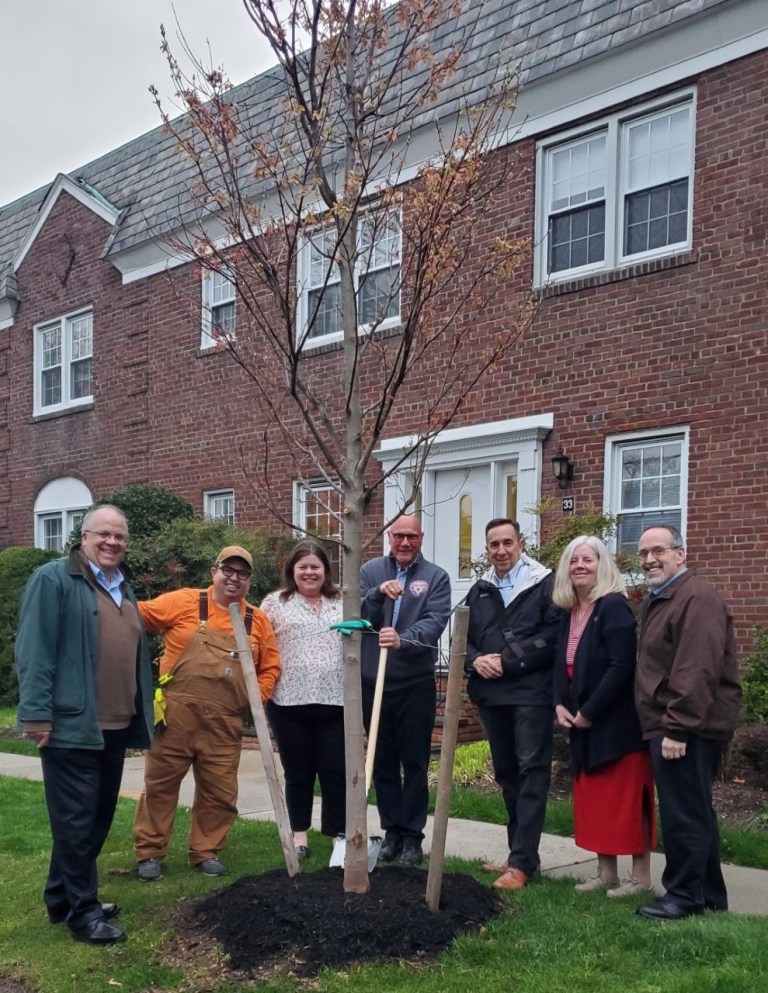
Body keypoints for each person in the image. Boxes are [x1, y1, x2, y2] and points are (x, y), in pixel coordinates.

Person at [15, 505, 154, 945]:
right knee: (75, 823)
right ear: (84, 536)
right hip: (71, 725)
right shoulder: (53, 579)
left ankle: (61, 897)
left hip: (113, 726)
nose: (113, 542)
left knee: (93, 821)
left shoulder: (122, 587)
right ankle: (83, 912)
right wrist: (36, 715)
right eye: (104, 535)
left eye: (120, 537)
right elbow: (34, 650)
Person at [132, 545, 281, 881]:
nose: (234, 578)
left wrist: (255, 697)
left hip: (224, 721)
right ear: (214, 571)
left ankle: (205, 851)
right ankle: (150, 854)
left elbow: (270, 667)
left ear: (250, 581)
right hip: (175, 717)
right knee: (160, 786)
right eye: (227, 569)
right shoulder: (184, 601)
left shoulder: (256, 620)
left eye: (242, 573)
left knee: (220, 791)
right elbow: (134, 617)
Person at [634, 525, 741, 920]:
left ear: (681, 554)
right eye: (643, 553)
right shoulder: (665, 598)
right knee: (695, 810)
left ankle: (683, 896)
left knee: (683, 813)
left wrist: (677, 727)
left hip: (685, 727)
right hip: (676, 722)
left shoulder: (695, 598)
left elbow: (696, 669)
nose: (649, 560)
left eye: (659, 551)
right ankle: (709, 895)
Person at [552, 535, 655, 898]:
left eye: (588, 560)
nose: (580, 566)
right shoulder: (571, 611)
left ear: (603, 566)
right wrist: (560, 705)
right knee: (596, 802)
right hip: (582, 723)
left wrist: (589, 712)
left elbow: (621, 665)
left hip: (617, 726)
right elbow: (559, 665)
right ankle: (606, 872)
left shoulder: (613, 607)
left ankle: (640, 878)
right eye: (574, 560)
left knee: (626, 802)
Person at [465, 518, 562, 891]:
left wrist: (506, 661)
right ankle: (517, 854)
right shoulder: (480, 590)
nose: (501, 551)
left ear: (521, 544)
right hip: (492, 696)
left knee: (531, 771)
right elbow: (463, 636)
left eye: (508, 543)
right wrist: (475, 660)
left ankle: (523, 863)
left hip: (530, 695)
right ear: (486, 550)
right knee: (507, 774)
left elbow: (553, 635)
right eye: (494, 545)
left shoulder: (545, 584)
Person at [360, 513, 451, 866]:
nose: (405, 543)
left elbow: (434, 622)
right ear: (390, 537)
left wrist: (403, 639)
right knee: (382, 760)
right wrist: (377, 594)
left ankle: (413, 836)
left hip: (414, 683)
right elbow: (361, 615)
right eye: (399, 536)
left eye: (412, 536)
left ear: (421, 538)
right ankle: (391, 832)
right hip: (374, 682)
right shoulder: (371, 572)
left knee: (413, 761)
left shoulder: (435, 577)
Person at [261, 541, 345, 858]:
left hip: (335, 702)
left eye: (315, 566)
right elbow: (258, 644)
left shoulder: (343, 602)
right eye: (303, 567)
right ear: (292, 571)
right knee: (298, 773)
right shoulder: (275, 603)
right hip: (288, 703)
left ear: (326, 571)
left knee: (335, 771)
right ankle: (299, 838)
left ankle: (339, 835)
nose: (309, 572)